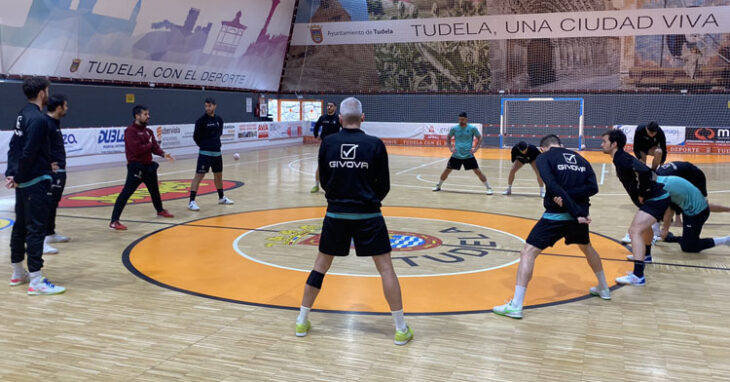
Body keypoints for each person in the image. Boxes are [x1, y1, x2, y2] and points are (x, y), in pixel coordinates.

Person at [294, 97, 413, 345]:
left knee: (320, 266)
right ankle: (401, 328)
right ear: (363, 118)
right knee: (386, 269)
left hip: (336, 215)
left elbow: (324, 180)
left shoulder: (328, 143)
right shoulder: (375, 145)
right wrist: (368, 201)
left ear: (339, 119)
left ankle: (301, 321)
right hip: (369, 216)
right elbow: (385, 185)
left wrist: (339, 199)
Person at [493, 135, 609, 319]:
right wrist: (576, 208)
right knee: (587, 248)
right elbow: (593, 188)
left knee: (527, 253)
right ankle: (604, 288)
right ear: (560, 145)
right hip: (577, 216)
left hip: (557, 216)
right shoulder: (581, 159)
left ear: (542, 148)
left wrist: (569, 204)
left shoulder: (543, 158)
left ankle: (516, 305)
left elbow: (552, 185)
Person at [5, 76, 65, 295]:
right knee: (35, 229)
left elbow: (14, 147)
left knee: (20, 226)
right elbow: (28, 151)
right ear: (42, 93)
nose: (48, 93)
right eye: (47, 90)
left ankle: (17, 272)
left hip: (24, 181)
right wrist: (18, 175)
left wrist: (12, 173)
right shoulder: (39, 119)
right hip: (34, 182)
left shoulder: (22, 115)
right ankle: (36, 281)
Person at [601, 129, 669, 285]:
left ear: (614, 144)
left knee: (634, 231)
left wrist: (643, 192)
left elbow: (645, 171)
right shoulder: (619, 158)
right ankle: (646, 256)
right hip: (656, 198)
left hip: (655, 199)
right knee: (644, 228)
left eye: (604, 141)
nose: (602, 144)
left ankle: (638, 276)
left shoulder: (622, 159)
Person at [109, 105, 175, 230]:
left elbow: (154, 147)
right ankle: (114, 221)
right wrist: (149, 145)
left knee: (154, 190)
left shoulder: (148, 131)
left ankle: (160, 210)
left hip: (149, 167)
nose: (148, 116)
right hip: (136, 167)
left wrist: (163, 154)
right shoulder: (130, 131)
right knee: (126, 193)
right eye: (145, 114)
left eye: (148, 114)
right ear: (137, 116)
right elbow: (137, 150)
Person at [655, 175, 730, 253]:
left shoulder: (660, 189)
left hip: (697, 212)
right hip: (690, 206)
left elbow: (669, 211)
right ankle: (669, 237)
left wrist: (665, 229)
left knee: (689, 247)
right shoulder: (659, 180)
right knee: (687, 242)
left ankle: (725, 240)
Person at [188, 98, 234, 211]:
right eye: (206, 106)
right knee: (199, 176)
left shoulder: (219, 120)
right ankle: (191, 201)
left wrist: (214, 145)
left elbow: (219, 133)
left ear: (215, 106)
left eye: (209, 106)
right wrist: (204, 146)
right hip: (205, 154)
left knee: (218, 176)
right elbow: (196, 137)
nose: (207, 108)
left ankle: (221, 197)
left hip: (217, 153)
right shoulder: (201, 120)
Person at [432, 112, 493, 195]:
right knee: (447, 171)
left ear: (466, 119)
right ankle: (438, 185)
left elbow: (479, 137)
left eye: (462, 119)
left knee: (477, 171)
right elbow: (448, 137)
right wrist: (450, 147)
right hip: (456, 155)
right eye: (459, 119)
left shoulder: (472, 128)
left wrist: (476, 149)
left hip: (468, 155)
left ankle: (488, 188)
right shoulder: (454, 128)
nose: (461, 121)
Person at [43, 94, 70, 255]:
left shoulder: (55, 123)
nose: (67, 108)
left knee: (54, 203)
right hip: (51, 172)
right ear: (59, 107)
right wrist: (47, 165)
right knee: (47, 204)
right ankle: (42, 241)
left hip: (60, 169)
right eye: (65, 105)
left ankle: (50, 233)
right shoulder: (45, 123)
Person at [311, 101, 342, 193]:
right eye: (328, 106)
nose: (329, 107)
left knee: (336, 165)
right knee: (320, 165)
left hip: (336, 145)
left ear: (335, 108)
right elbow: (316, 126)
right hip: (324, 145)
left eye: (331, 106)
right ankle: (316, 185)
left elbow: (345, 128)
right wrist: (316, 135)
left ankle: (336, 185)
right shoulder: (323, 117)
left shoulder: (338, 118)